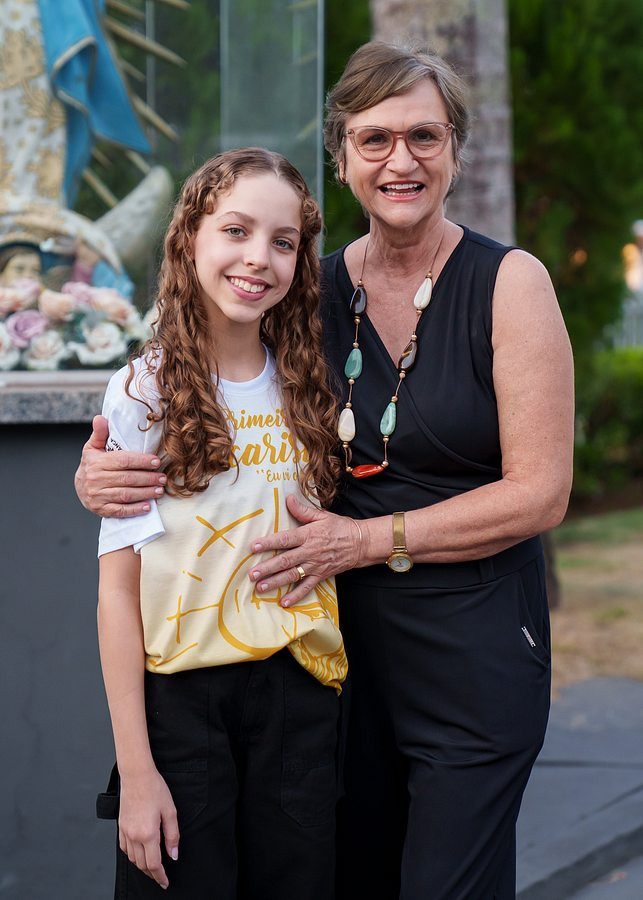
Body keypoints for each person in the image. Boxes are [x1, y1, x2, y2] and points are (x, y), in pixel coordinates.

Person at [75, 43, 574, 900]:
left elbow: (541, 493)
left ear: (455, 151)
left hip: (472, 649)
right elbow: (212, 407)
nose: (399, 160)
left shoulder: (508, 283)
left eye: (423, 136)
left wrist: (365, 540)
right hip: (335, 665)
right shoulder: (311, 292)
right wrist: (102, 477)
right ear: (341, 158)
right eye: (374, 139)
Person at [93, 148, 347, 899]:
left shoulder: (310, 385)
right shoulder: (143, 391)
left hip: (300, 699)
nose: (257, 257)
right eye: (235, 230)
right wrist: (137, 772)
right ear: (190, 240)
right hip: (183, 706)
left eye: (282, 241)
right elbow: (117, 592)